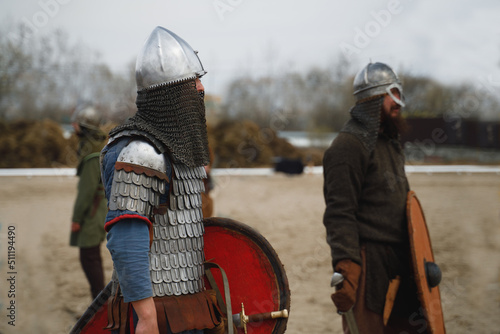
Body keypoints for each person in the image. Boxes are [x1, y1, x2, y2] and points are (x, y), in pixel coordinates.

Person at [100, 26, 223, 334]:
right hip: (158, 313)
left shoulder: (177, 149)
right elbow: (126, 237)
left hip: (187, 307)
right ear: (172, 92)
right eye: (193, 81)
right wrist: (146, 316)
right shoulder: (142, 153)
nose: (201, 89)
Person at [322, 62, 425, 333]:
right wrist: (347, 265)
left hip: (401, 260)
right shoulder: (347, 146)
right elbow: (339, 212)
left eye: (400, 94)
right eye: (394, 94)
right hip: (369, 264)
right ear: (373, 98)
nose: (399, 102)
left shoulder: (389, 143)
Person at [69, 105, 108, 300]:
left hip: (93, 211)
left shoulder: (92, 153)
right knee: (92, 257)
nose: (73, 126)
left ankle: (99, 307)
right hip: (97, 207)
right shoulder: (94, 147)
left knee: (89, 258)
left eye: (77, 123)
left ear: (85, 127)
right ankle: (99, 305)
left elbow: (87, 191)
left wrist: (77, 218)